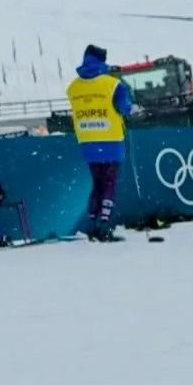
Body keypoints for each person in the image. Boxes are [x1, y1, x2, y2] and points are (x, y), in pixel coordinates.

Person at [65, 43, 135, 242]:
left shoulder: (73, 87)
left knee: (97, 184)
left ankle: (92, 223)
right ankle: (104, 225)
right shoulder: (112, 84)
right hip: (111, 139)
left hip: (88, 141)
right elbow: (124, 108)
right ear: (103, 60)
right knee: (109, 183)